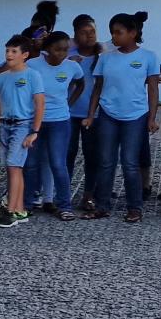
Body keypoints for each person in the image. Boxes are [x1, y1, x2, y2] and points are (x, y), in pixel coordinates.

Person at [83, 11, 161, 223]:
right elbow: (97, 88)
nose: (114, 37)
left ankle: (135, 207)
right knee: (106, 161)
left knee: (130, 162)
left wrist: (152, 118)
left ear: (133, 33)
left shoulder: (149, 57)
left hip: (136, 116)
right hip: (108, 114)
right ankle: (102, 206)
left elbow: (153, 89)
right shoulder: (105, 58)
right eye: (112, 32)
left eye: (119, 32)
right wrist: (91, 115)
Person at [25, 31, 83, 220]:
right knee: (31, 163)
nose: (62, 54)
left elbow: (80, 83)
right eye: (58, 49)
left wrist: (69, 102)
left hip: (60, 122)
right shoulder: (33, 65)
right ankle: (26, 203)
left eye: (65, 50)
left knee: (58, 163)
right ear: (48, 49)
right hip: (35, 121)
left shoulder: (72, 67)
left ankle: (65, 205)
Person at [0, 34, 45, 228]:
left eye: (14, 51)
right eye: (7, 50)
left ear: (25, 55)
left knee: (14, 166)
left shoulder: (33, 75)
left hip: (23, 125)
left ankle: (10, 211)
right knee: (13, 168)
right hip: (5, 124)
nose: (9, 55)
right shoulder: (1, 78)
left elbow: (39, 104)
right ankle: (20, 209)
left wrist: (34, 131)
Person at [69, 14, 104, 212]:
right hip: (69, 114)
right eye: (84, 32)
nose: (89, 36)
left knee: (92, 156)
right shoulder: (68, 55)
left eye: (92, 32)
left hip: (94, 114)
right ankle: (63, 195)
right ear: (75, 35)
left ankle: (89, 195)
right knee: (68, 154)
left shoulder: (103, 56)